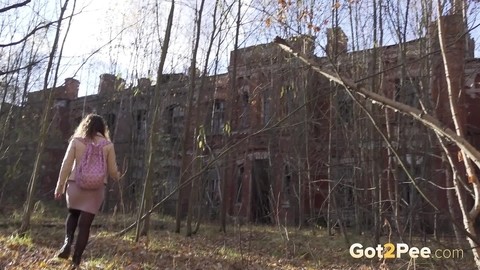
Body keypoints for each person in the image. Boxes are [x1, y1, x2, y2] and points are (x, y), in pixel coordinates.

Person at [54, 113, 121, 268]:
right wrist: (119, 175)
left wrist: (60, 186)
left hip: (75, 184)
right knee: (85, 225)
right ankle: (76, 261)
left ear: (85, 125)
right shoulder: (108, 145)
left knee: (73, 214)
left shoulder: (76, 142)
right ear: (102, 129)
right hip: (96, 189)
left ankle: (67, 242)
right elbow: (112, 171)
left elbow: (66, 165)